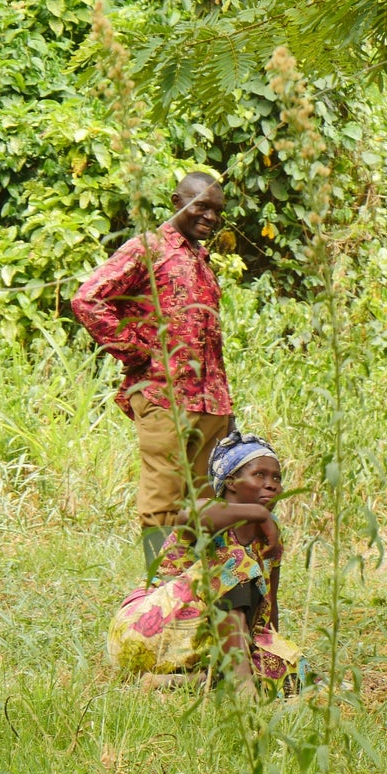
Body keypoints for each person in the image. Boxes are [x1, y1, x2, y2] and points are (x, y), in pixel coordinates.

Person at [72, 171, 234, 557]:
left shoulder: (200, 257)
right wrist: (136, 352)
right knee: (162, 502)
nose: (209, 217)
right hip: (165, 397)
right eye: (201, 207)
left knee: (206, 503)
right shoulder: (149, 247)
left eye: (217, 211)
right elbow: (88, 299)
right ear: (177, 201)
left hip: (210, 402)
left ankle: (196, 594)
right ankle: (157, 596)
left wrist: (225, 409)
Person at [107, 431, 299, 691]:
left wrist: (273, 652)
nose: (272, 484)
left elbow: (269, 605)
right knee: (233, 559)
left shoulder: (271, 535)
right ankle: (241, 683)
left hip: (194, 646)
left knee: (287, 672)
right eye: (260, 475)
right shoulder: (210, 515)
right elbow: (187, 515)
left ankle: (182, 681)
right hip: (145, 631)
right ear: (231, 482)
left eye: (276, 477)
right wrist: (257, 513)